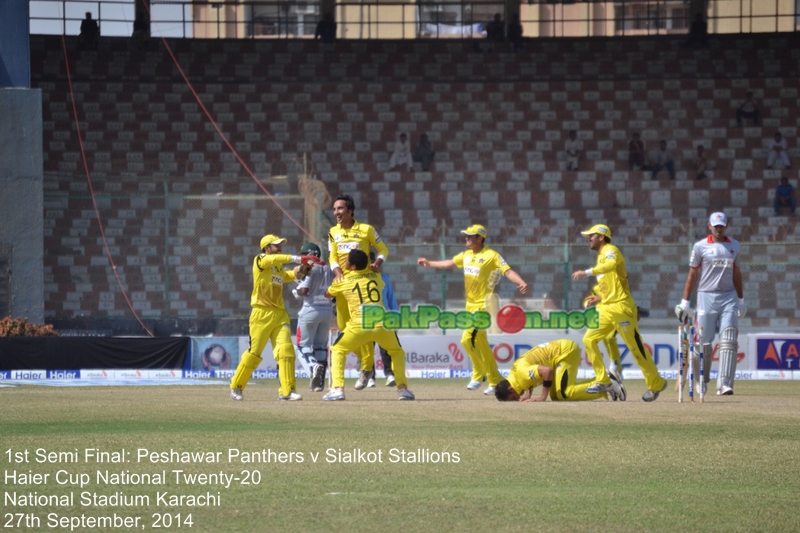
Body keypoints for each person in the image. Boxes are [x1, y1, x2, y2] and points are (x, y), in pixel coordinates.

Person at [417, 224, 529, 395]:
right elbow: (450, 263)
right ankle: (495, 379)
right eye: (466, 236)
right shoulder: (467, 255)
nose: (467, 238)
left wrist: (520, 282)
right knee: (481, 344)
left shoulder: (491, 255)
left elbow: (507, 271)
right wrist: (429, 263)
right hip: (470, 307)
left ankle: (478, 375)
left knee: (466, 340)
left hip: (483, 307)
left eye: (471, 236)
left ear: (480, 238)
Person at [572, 223, 668, 402]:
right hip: (608, 308)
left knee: (635, 348)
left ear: (601, 237)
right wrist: (599, 299)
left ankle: (656, 383)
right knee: (588, 339)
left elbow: (610, 265)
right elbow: (612, 284)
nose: (588, 239)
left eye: (591, 236)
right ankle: (603, 380)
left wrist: (587, 272)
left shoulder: (611, 250)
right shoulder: (600, 256)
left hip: (622, 308)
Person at [230, 235, 320, 402]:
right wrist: (299, 258)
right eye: (276, 245)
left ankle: (287, 391)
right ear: (266, 248)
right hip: (261, 313)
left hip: (279, 314)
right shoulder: (260, 260)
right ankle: (237, 386)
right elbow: (277, 259)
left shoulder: (277, 267)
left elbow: (289, 275)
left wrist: (304, 268)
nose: (280, 247)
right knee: (254, 354)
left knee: (285, 350)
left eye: (281, 245)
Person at [322, 250, 414, 401]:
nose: (344, 263)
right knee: (397, 352)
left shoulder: (344, 281)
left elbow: (327, 294)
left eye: (346, 261)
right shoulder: (377, 276)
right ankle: (402, 389)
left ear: (352, 267)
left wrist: (335, 281)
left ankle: (338, 389)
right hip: (381, 324)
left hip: (359, 325)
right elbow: (371, 276)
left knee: (337, 349)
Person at [675, 212, 745, 396]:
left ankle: (724, 384)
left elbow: (737, 274)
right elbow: (692, 275)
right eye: (715, 225)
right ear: (709, 226)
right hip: (706, 296)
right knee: (703, 344)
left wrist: (741, 299)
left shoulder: (734, 246)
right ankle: (701, 380)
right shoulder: (700, 247)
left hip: (728, 296)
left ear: (726, 225)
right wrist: (685, 301)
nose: (718, 228)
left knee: (729, 338)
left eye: (721, 225)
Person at [327, 194, 389, 390]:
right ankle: (367, 366)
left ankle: (366, 368)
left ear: (350, 211)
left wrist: (378, 263)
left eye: (340, 209)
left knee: (362, 328)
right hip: (343, 287)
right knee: (346, 331)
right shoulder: (332, 232)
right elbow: (332, 257)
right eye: (335, 209)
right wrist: (338, 274)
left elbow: (383, 250)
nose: (337, 212)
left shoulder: (366, 229)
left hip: (361, 287)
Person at [494, 340, 625, 402]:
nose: (517, 399)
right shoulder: (514, 375)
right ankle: (605, 382)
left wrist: (542, 397)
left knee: (565, 394)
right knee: (556, 396)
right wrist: (528, 394)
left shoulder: (520, 374)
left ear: (511, 389)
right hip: (559, 353)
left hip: (565, 352)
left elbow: (547, 371)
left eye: (513, 398)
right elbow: (530, 377)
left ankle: (607, 382)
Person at [294, 242, 335, 392]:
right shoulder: (330, 268)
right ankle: (319, 383)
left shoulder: (310, 267)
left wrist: (297, 291)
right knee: (320, 347)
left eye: (304, 255)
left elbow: (304, 289)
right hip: (327, 310)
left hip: (310, 309)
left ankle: (313, 367)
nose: (302, 258)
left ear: (311, 254)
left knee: (302, 346)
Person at [368, 252, 400, 387]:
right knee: (368, 348)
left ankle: (389, 374)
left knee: (385, 348)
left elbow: (391, 299)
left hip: (384, 316)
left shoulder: (384, 278)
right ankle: (369, 376)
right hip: (366, 317)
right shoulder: (359, 279)